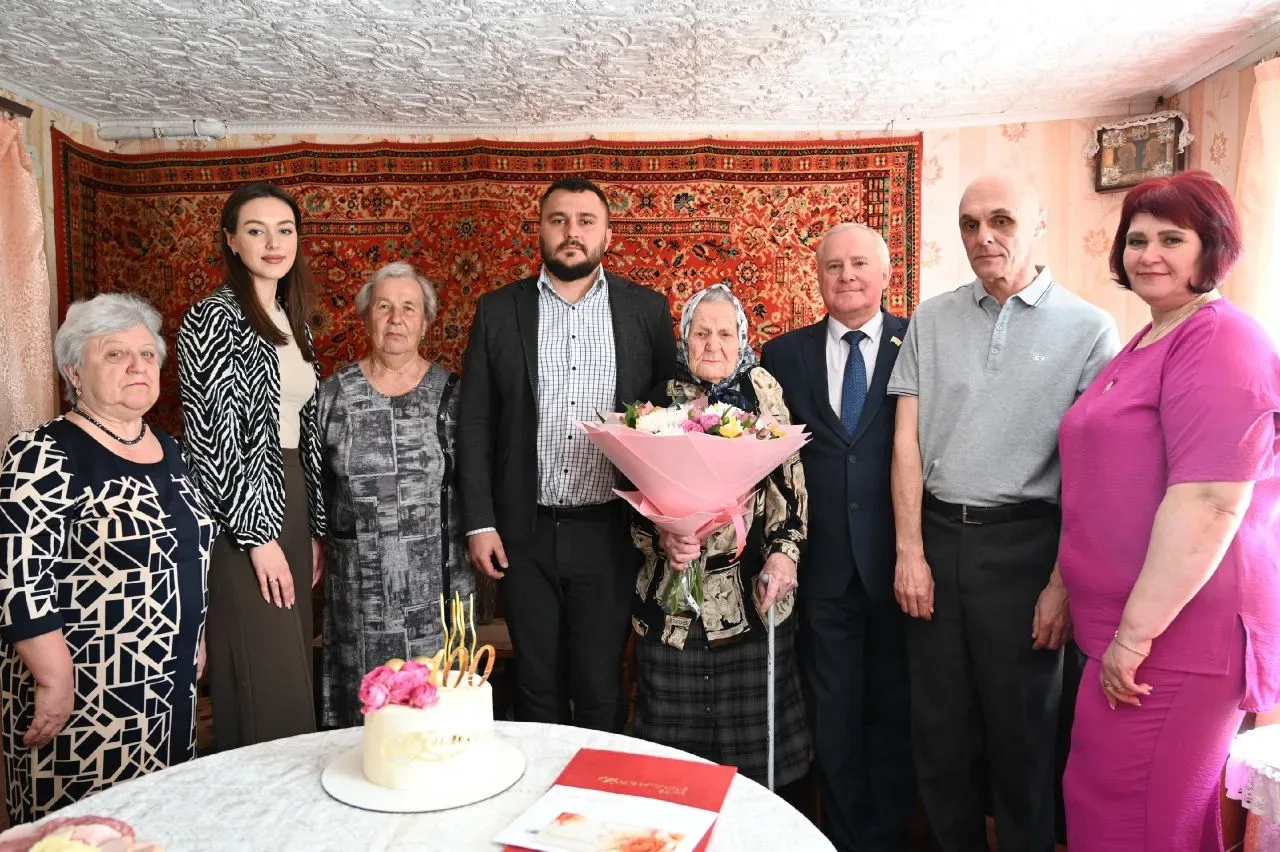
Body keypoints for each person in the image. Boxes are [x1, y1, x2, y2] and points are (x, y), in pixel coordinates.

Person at [887, 171, 1119, 852]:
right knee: (940, 736)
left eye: (1001, 220)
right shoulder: (931, 319)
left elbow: (1094, 472)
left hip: (1028, 552)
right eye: (969, 224)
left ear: (1037, 223)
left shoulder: (1089, 328)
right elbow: (905, 443)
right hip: (936, 543)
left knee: (1024, 739)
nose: (983, 236)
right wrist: (909, 552)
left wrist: (1062, 583)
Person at [1057, 170, 1280, 851]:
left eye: (1172, 239)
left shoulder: (1220, 339)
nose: (1148, 254)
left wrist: (1133, 637)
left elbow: (1211, 502)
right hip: (1131, 629)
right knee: (1115, 805)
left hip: (1177, 636)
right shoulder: (1152, 336)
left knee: (1137, 820)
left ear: (1211, 247)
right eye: (1137, 239)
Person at [459, 176, 677, 731]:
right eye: (558, 220)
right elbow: (475, 422)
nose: (571, 232)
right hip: (523, 531)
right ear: (540, 230)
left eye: (585, 221)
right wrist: (480, 522)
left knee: (601, 684)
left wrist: (670, 517)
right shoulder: (498, 310)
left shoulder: (646, 311)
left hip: (611, 532)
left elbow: (668, 423)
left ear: (607, 234)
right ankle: (539, 785)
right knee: (536, 685)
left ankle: (597, 785)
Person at [0, 293, 212, 822]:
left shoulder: (171, 450)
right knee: (82, 832)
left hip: (166, 689)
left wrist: (196, 636)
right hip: (85, 695)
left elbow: (187, 555)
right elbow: (17, 577)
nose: (137, 366)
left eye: (147, 354)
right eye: (115, 354)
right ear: (74, 371)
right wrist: (54, 679)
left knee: (158, 824)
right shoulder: (43, 453)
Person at [761, 223, 913, 851]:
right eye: (833, 266)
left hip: (900, 569)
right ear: (817, 275)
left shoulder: (917, 341)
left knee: (895, 716)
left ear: (886, 274)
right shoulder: (782, 356)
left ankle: (891, 839)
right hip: (821, 571)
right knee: (836, 719)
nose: (847, 276)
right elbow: (769, 461)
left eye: (860, 264)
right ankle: (845, 841)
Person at [631, 283, 811, 788]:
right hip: (672, 610)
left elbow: (790, 491)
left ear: (742, 339)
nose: (713, 344)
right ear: (684, 340)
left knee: (757, 776)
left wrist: (783, 557)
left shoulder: (761, 392)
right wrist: (663, 537)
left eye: (725, 334)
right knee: (671, 776)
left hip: (750, 606)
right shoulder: (658, 401)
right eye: (701, 333)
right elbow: (631, 504)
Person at [178, 182, 326, 750]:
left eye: (284, 231)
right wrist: (256, 535)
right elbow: (212, 439)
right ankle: (263, 796)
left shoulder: (291, 319)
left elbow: (302, 429)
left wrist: (310, 529)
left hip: (291, 493)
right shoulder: (213, 318)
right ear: (231, 241)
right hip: (241, 508)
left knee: (293, 661)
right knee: (266, 671)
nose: (273, 243)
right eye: (256, 231)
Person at [315, 262, 474, 728]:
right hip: (361, 582)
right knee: (367, 710)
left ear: (426, 322)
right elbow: (315, 483)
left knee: (436, 710)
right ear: (366, 317)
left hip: (439, 582)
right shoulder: (334, 394)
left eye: (409, 308)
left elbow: (476, 482)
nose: (396, 319)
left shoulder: (454, 395)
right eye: (384, 307)